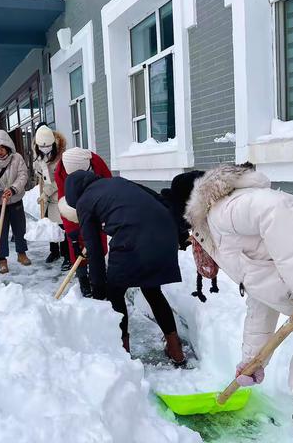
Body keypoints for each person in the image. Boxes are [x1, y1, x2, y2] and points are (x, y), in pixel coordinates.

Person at [166, 163, 293, 442]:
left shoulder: (224, 211)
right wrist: (254, 360)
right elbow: (261, 292)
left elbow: (275, 209)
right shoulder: (223, 235)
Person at [64, 170, 186, 364]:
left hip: (134, 238)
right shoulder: (118, 181)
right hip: (165, 231)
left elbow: (94, 250)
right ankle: (175, 348)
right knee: (152, 289)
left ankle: (122, 354)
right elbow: (159, 200)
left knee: (115, 293)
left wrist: (98, 288)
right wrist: (179, 232)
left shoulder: (84, 202)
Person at [56, 147, 112, 296]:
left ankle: (100, 280)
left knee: (97, 245)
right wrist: (73, 236)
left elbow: (109, 191)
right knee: (77, 248)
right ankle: (82, 278)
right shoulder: (60, 172)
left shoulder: (98, 165)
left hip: (97, 207)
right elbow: (65, 203)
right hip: (75, 208)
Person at [0, 127, 31, 273]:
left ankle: (22, 253)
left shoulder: (17, 158)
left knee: (19, 227)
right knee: (0, 229)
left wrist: (13, 189)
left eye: (2, 147)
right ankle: (2, 259)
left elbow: (23, 175)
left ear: (8, 146)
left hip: (15, 198)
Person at [33, 123, 70, 266]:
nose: (44, 149)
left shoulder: (62, 156)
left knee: (63, 226)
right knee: (50, 224)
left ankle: (66, 255)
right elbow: (40, 174)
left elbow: (61, 179)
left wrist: (46, 192)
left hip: (61, 193)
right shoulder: (38, 156)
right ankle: (54, 252)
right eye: (41, 147)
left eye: (47, 146)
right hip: (47, 195)